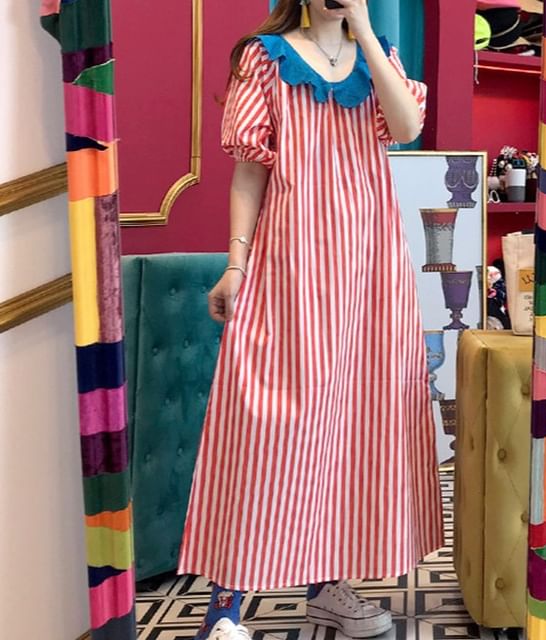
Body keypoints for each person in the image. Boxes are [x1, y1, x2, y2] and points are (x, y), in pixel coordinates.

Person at [178, 1, 443, 638]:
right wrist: (236, 265)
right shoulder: (264, 57)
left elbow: (406, 126)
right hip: (290, 263)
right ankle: (223, 611)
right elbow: (249, 171)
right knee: (265, 428)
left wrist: (367, 33)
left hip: (369, 270)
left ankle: (326, 588)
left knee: (351, 422)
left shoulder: (377, 57)